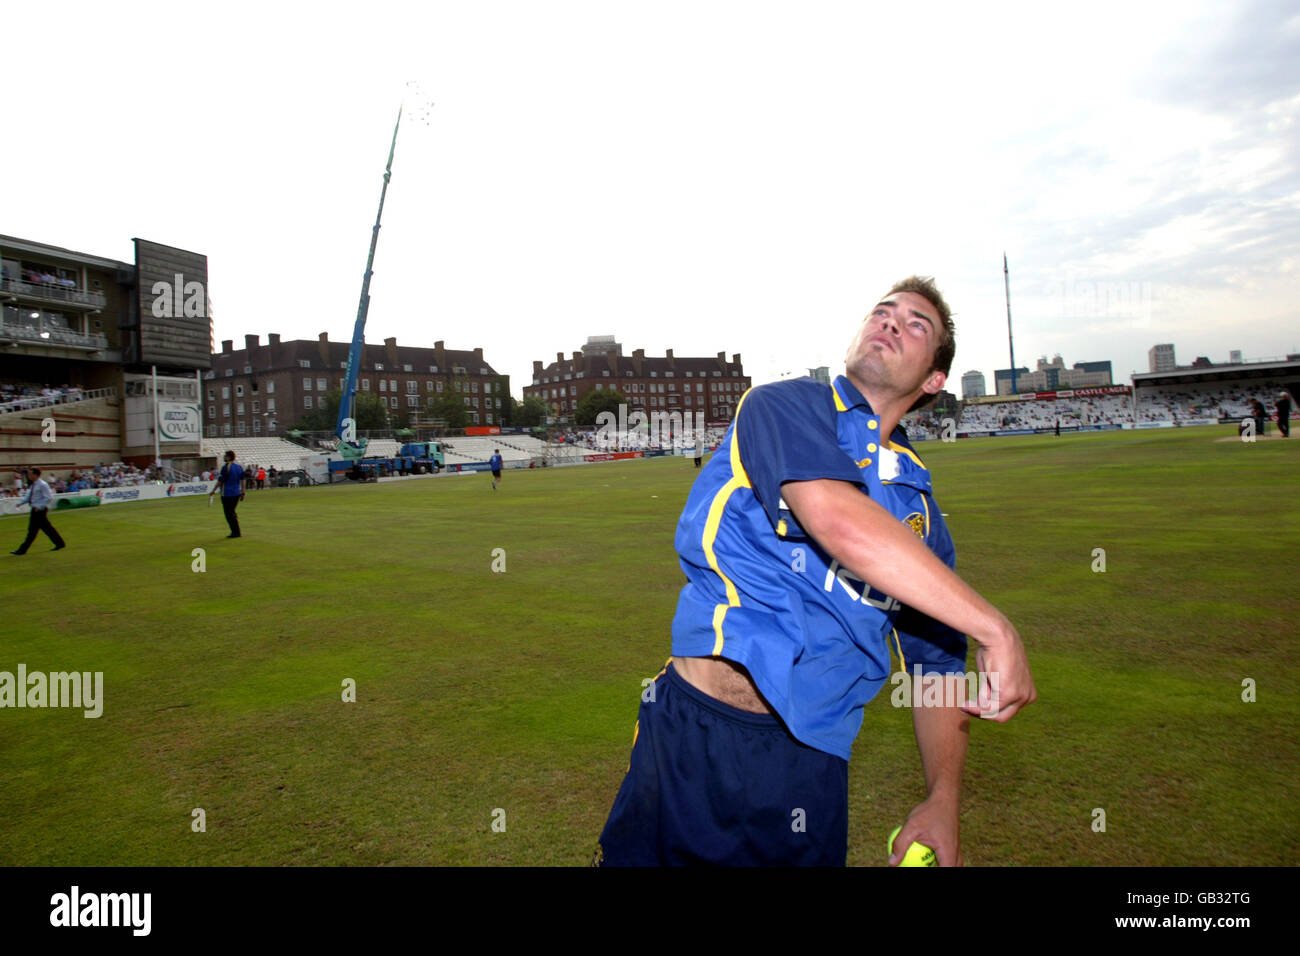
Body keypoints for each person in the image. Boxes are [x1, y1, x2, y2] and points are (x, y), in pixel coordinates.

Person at [594, 276, 1036, 867]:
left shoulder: (920, 514)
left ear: (934, 380)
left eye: (915, 324)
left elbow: (935, 671)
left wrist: (943, 799)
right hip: (697, 736)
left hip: (813, 767)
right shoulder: (785, 404)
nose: (890, 323)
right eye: (882, 312)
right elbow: (834, 516)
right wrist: (996, 628)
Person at [11, 467, 67, 555]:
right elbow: (29, 496)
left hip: (39, 510)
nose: (28, 476)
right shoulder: (34, 484)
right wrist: (20, 503)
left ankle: (22, 550)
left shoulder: (42, 484)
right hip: (35, 509)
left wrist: (39, 506)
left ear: (35, 475)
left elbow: (48, 497)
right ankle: (60, 543)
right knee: (47, 528)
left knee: (32, 531)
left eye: (30, 474)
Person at [210, 450, 245, 538]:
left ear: (229, 457)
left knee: (229, 514)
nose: (224, 457)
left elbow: (221, 481)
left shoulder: (226, 467)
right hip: (236, 493)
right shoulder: (238, 467)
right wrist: (243, 492)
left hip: (227, 494)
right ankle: (236, 531)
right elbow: (243, 479)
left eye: (225, 456)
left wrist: (213, 490)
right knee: (232, 512)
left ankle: (235, 532)